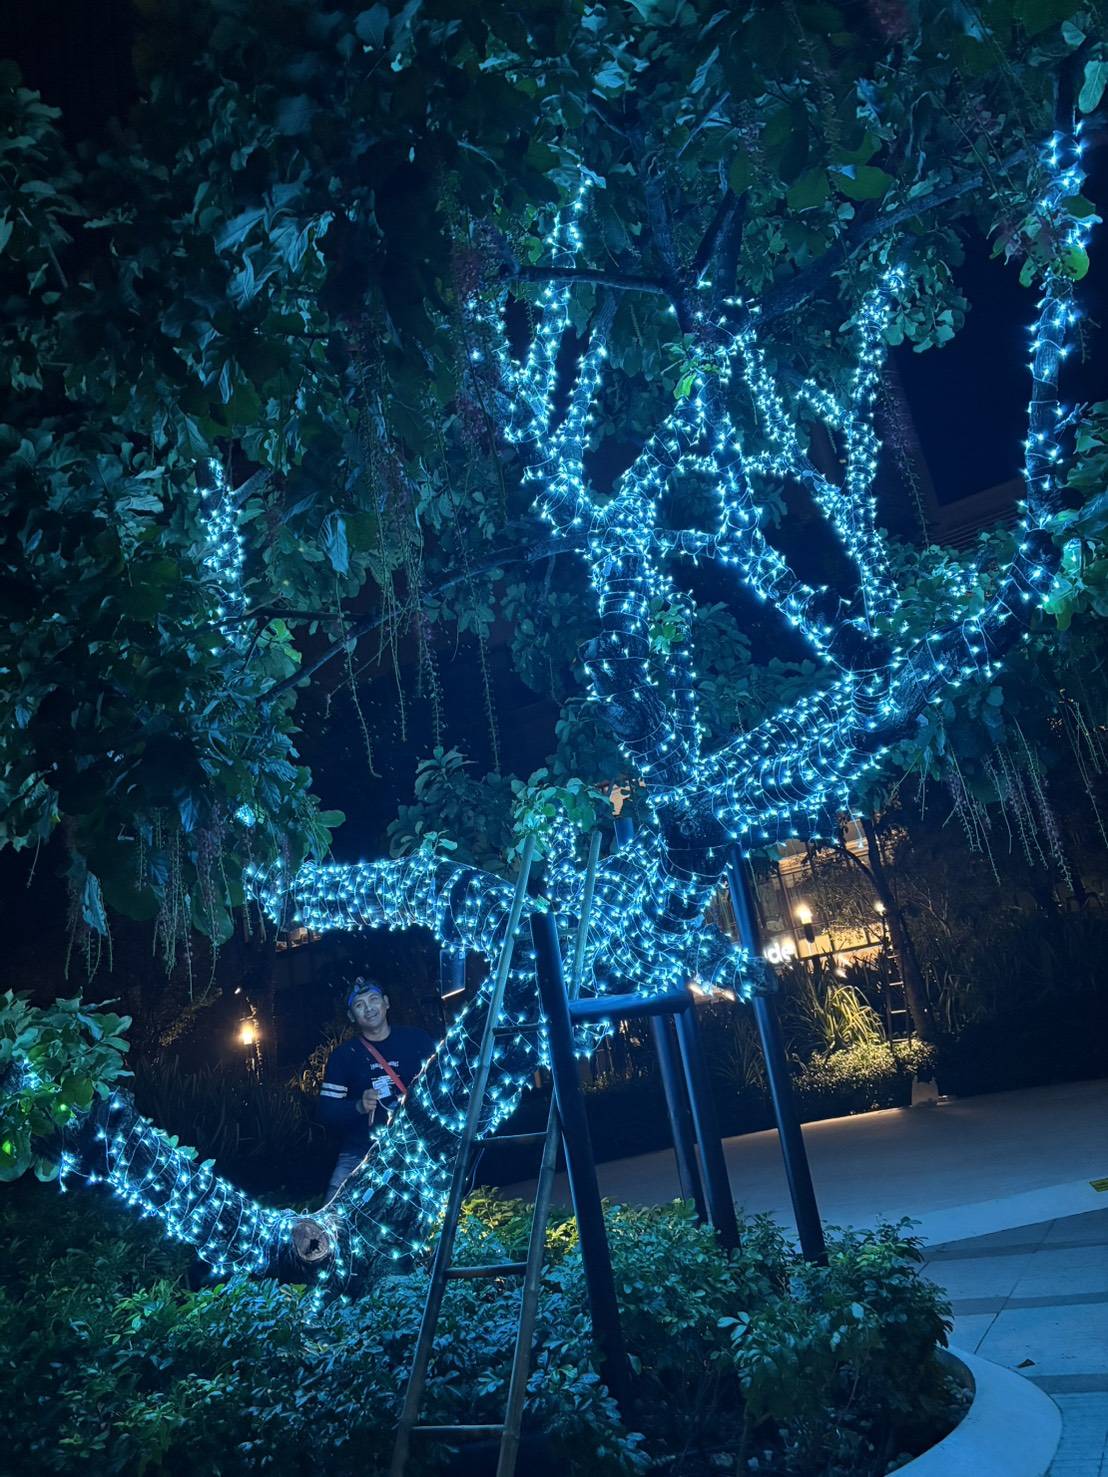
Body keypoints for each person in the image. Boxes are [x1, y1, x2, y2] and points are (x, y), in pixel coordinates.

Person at [319, 978, 436, 1199]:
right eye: (359, 1004)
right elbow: (327, 1111)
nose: (369, 1008)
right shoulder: (344, 1056)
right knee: (334, 1208)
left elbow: (441, 1086)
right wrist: (358, 1106)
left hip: (417, 1148)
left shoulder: (417, 1040)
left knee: (432, 1204)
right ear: (351, 1016)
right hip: (361, 1151)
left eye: (374, 999)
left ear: (386, 1002)